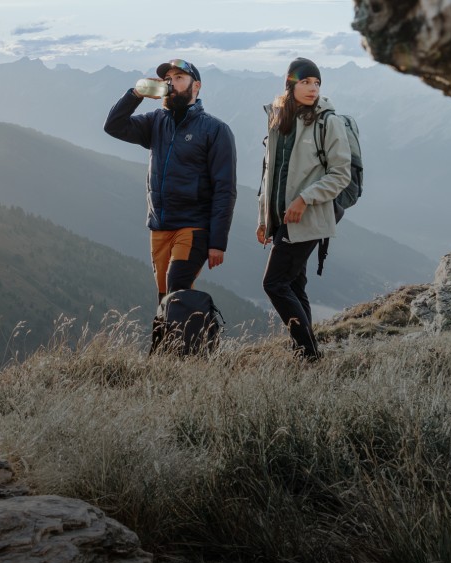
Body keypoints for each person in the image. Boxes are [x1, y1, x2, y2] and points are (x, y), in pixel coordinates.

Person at [104, 59, 237, 307]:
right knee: (164, 298)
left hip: (193, 226)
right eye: (168, 79)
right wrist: (136, 94)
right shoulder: (156, 122)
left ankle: (188, 345)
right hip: (160, 226)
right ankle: (167, 346)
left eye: (179, 78)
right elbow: (113, 126)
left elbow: (225, 189)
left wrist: (218, 242)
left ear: (195, 86)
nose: (171, 83)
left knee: (177, 289)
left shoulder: (215, 130)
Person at [257, 58, 351, 362]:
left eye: (317, 83)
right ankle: (307, 353)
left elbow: (340, 174)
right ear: (290, 84)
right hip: (282, 218)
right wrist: (264, 219)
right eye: (305, 82)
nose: (312, 88)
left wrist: (304, 199)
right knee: (294, 285)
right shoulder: (278, 118)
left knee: (274, 283)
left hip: (308, 216)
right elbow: (269, 173)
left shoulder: (327, 121)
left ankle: (309, 355)